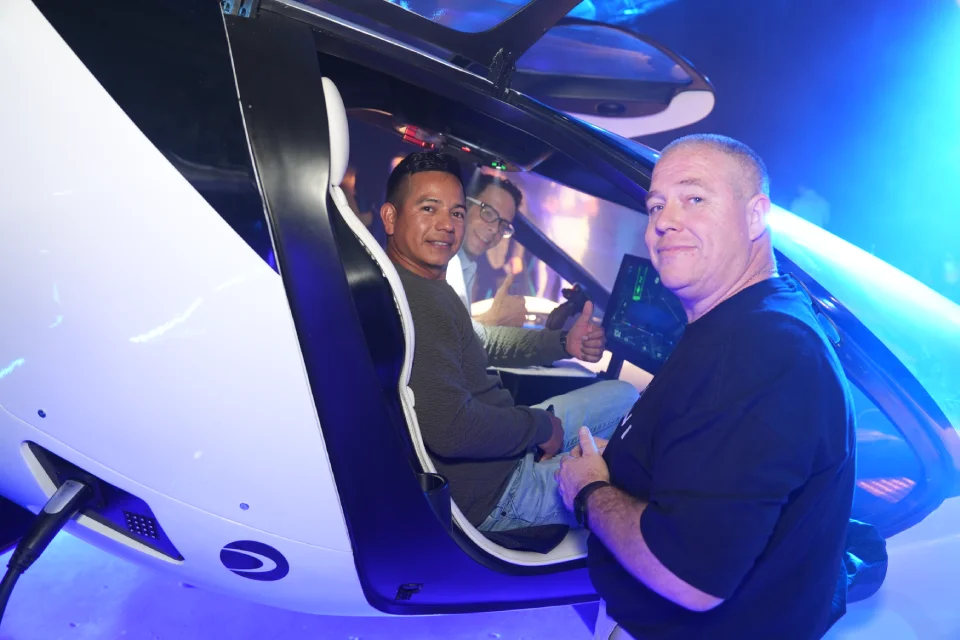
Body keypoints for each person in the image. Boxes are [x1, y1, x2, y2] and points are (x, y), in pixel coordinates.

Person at [557, 134, 856, 640]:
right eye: (656, 205)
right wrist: (631, 460)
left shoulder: (765, 350)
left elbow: (689, 576)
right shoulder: (745, 322)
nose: (664, 221)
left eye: (694, 198)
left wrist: (588, 490)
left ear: (756, 215)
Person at [381, 151, 639, 532]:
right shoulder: (423, 300)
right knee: (633, 479)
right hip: (494, 491)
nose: (447, 224)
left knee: (623, 393)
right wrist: (537, 428)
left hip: (500, 449)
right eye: (429, 208)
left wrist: (562, 343)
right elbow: (452, 429)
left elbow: (480, 340)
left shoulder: (424, 283)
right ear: (390, 216)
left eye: (454, 213)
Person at [455, 173, 529, 327]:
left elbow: (453, 328)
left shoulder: (466, 268)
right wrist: (492, 321)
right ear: (465, 205)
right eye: (488, 213)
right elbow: (431, 342)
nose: (495, 229)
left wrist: (561, 341)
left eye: (503, 225)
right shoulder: (438, 264)